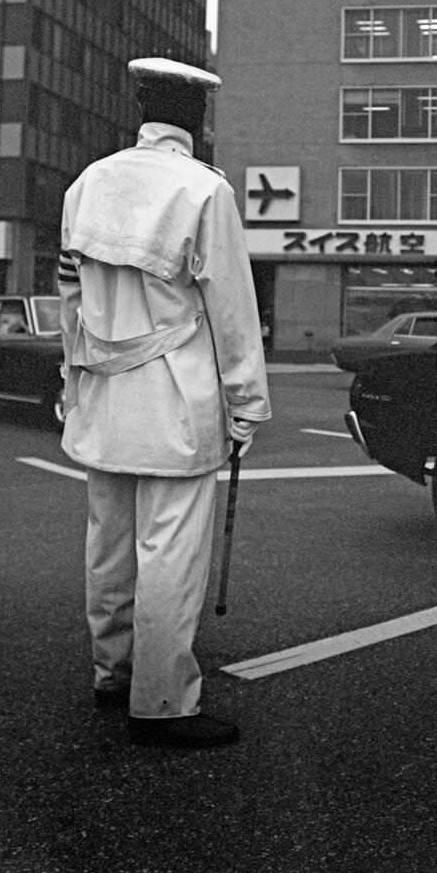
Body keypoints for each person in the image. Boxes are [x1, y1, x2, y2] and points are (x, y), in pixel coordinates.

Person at [58, 57, 270, 750]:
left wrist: (71, 385)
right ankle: (163, 701)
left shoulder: (89, 183)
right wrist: (247, 407)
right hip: (175, 399)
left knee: (108, 545)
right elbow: (233, 312)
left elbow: (71, 305)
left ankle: (110, 671)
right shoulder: (205, 191)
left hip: (102, 393)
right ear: (196, 118)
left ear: (141, 107)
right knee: (170, 555)